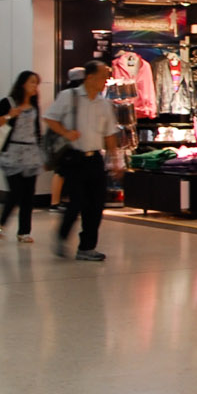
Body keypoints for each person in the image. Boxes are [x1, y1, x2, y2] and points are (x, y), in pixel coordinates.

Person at [45, 60, 120, 261]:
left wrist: (115, 160)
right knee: (76, 202)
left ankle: (87, 247)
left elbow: (110, 134)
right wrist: (65, 132)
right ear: (89, 77)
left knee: (96, 205)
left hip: (95, 158)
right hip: (74, 158)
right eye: (103, 75)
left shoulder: (104, 104)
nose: (106, 80)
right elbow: (49, 118)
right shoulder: (69, 97)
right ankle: (61, 237)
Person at [0, 71, 44, 242]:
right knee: (15, 191)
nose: (35, 86)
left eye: (37, 83)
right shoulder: (8, 103)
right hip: (12, 153)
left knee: (29, 194)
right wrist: (9, 116)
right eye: (32, 82)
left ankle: (24, 231)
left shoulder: (34, 106)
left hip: (31, 153)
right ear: (22, 84)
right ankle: (2, 223)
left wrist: (41, 151)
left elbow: (37, 131)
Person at [49, 65, 84, 211]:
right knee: (61, 171)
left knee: (63, 171)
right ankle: (55, 202)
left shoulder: (65, 94)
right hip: (67, 139)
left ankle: (60, 201)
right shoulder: (71, 95)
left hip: (67, 138)